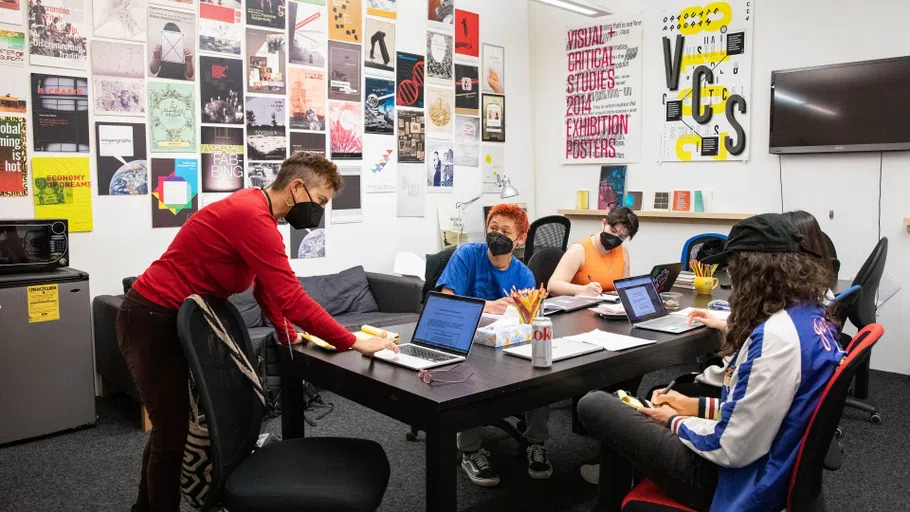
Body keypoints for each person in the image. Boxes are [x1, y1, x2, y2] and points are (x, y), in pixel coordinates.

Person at [117, 153, 398, 512]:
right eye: (321, 201)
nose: (321, 211)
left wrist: (284, 334)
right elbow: (292, 297)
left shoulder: (261, 213)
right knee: (172, 431)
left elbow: (268, 290)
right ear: (296, 187)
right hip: (150, 316)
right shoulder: (251, 216)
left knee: (172, 428)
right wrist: (354, 340)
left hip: (175, 317)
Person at [577, 213, 843, 512]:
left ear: (752, 271)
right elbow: (761, 406)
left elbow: (732, 447)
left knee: (596, 403)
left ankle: (611, 501)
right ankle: (610, 503)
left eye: (734, 268)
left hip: (729, 480)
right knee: (630, 413)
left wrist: (673, 420)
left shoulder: (775, 338)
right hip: (771, 463)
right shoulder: (810, 317)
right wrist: (692, 406)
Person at [436, 204, 554, 485]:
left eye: (505, 231)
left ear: (520, 239)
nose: (497, 235)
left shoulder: (523, 274)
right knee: (469, 373)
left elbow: (525, 321)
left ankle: (536, 443)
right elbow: (446, 300)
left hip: (504, 343)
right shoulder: (467, 254)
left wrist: (531, 308)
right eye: (493, 229)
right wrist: (490, 306)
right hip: (464, 338)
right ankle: (470, 450)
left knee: (542, 366)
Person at [547, 207, 639, 296]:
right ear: (603, 223)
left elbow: (625, 288)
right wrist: (583, 290)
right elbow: (553, 286)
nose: (615, 237)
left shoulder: (623, 252)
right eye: (613, 230)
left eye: (622, 236)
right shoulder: (579, 250)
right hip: (580, 307)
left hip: (609, 308)